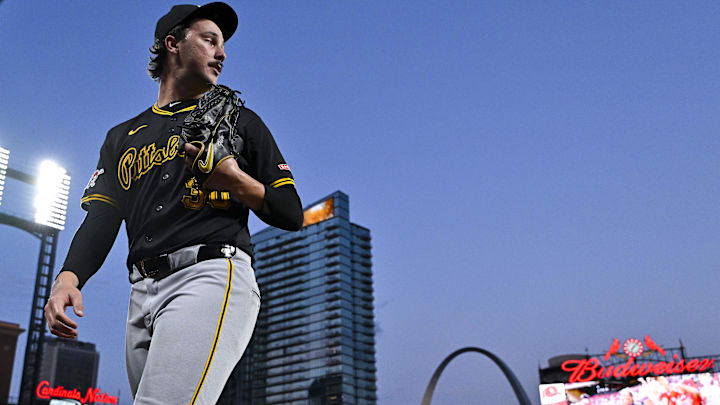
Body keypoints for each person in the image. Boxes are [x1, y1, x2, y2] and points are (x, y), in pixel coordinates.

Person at [43, 3, 303, 404]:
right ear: (173, 44)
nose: (222, 53)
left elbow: (290, 211)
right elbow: (102, 218)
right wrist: (68, 278)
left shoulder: (240, 122)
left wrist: (236, 180)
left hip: (209, 273)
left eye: (223, 44)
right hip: (141, 292)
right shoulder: (121, 137)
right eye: (209, 39)